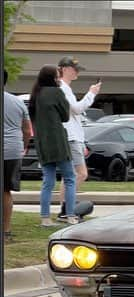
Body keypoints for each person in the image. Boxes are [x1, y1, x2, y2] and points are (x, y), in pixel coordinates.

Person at [28, 64, 75, 227]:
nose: (58, 78)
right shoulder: (57, 92)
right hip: (58, 141)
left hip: (43, 142)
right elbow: (65, 116)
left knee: (48, 181)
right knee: (69, 178)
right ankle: (70, 215)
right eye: (57, 75)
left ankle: (45, 218)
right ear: (53, 78)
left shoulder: (36, 94)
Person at [56, 56, 101, 220]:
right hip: (71, 136)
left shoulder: (63, 87)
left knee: (69, 175)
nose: (77, 73)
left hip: (70, 135)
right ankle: (67, 208)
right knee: (81, 173)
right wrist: (91, 94)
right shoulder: (63, 88)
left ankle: (65, 208)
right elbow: (76, 109)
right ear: (64, 69)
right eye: (75, 69)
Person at [4, 69, 32, 241]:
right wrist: (24, 146)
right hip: (13, 150)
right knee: (5, 191)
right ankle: (6, 231)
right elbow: (27, 129)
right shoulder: (17, 101)